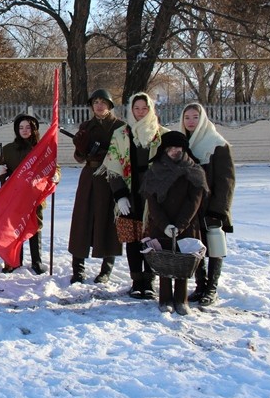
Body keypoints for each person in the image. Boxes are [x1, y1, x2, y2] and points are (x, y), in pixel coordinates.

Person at [96, 92, 168, 299]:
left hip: (154, 197)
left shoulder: (161, 134)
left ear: (151, 110)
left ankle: (150, 280)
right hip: (129, 194)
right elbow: (113, 165)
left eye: (144, 108)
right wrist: (120, 195)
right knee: (133, 239)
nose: (140, 112)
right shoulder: (121, 134)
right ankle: (137, 281)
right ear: (131, 110)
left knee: (152, 238)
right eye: (136, 108)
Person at [140, 131, 208, 315]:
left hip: (186, 225)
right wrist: (164, 225)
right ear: (164, 149)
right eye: (170, 148)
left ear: (184, 148)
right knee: (164, 262)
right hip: (161, 224)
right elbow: (152, 202)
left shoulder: (195, 171)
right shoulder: (154, 170)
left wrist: (180, 225)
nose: (174, 151)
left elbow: (194, 201)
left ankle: (181, 299)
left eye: (177, 147)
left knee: (183, 263)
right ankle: (164, 299)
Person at [68, 89, 125, 284]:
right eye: (96, 102)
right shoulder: (86, 126)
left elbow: (124, 155)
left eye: (103, 102)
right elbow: (78, 157)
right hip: (89, 177)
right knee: (82, 220)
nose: (99, 105)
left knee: (108, 221)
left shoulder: (120, 127)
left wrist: (105, 155)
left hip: (110, 177)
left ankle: (106, 270)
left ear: (110, 105)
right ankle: (78, 269)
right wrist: (82, 148)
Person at [181, 103, 235, 306]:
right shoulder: (184, 143)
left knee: (214, 246)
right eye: (187, 117)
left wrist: (219, 210)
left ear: (202, 119)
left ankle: (211, 288)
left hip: (212, 206)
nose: (191, 121)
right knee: (197, 246)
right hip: (193, 207)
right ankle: (200, 285)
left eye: (195, 117)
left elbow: (226, 181)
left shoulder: (217, 144)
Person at [0, 113, 58, 275]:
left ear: (34, 129)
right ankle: (16, 260)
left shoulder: (42, 148)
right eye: (21, 127)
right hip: (15, 197)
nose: (24, 130)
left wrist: (56, 175)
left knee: (35, 226)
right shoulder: (8, 149)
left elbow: (54, 166)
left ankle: (37, 261)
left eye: (28, 127)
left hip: (35, 195)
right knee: (16, 228)